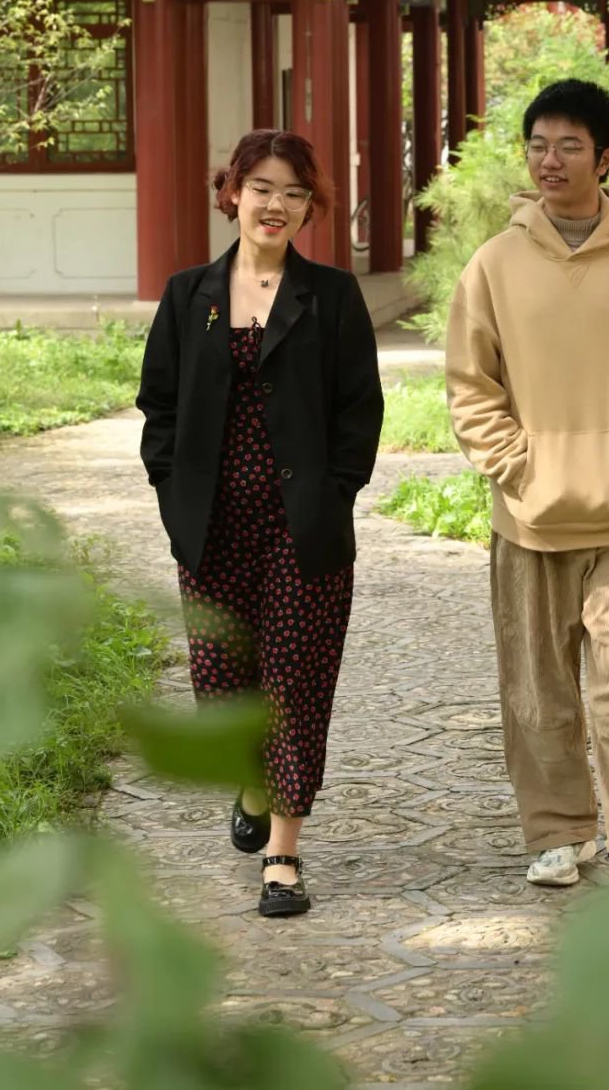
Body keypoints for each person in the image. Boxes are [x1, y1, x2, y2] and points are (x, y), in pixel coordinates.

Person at [445, 79, 609, 891]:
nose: (549, 160)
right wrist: (516, 464)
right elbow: (470, 383)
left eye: (568, 145)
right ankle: (558, 832)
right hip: (529, 519)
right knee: (538, 690)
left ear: (606, 157)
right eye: (537, 145)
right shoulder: (494, 265)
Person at [136, 128, 383, 918]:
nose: (277, 204)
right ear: (233, 193)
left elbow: (360, 410)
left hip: (302, 530)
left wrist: (335, 494)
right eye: (264, 188)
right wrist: (172, 494)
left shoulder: (332, 296)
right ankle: (249, 781)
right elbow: (159, 406)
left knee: (295, 686)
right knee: (223, 688)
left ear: (310, 207)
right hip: (211, 528)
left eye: (295, 193)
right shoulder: (189, 295)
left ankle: (283, 853)